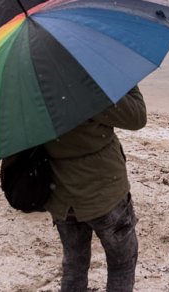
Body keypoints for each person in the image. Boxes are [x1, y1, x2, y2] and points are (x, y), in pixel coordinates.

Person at [44, 86, 146, 291]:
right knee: (122, 264)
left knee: (74, 265)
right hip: (104, 192)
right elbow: (137, 117)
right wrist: (127, 81)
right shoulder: (85, 84)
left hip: (61, 194)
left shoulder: (33, 90)